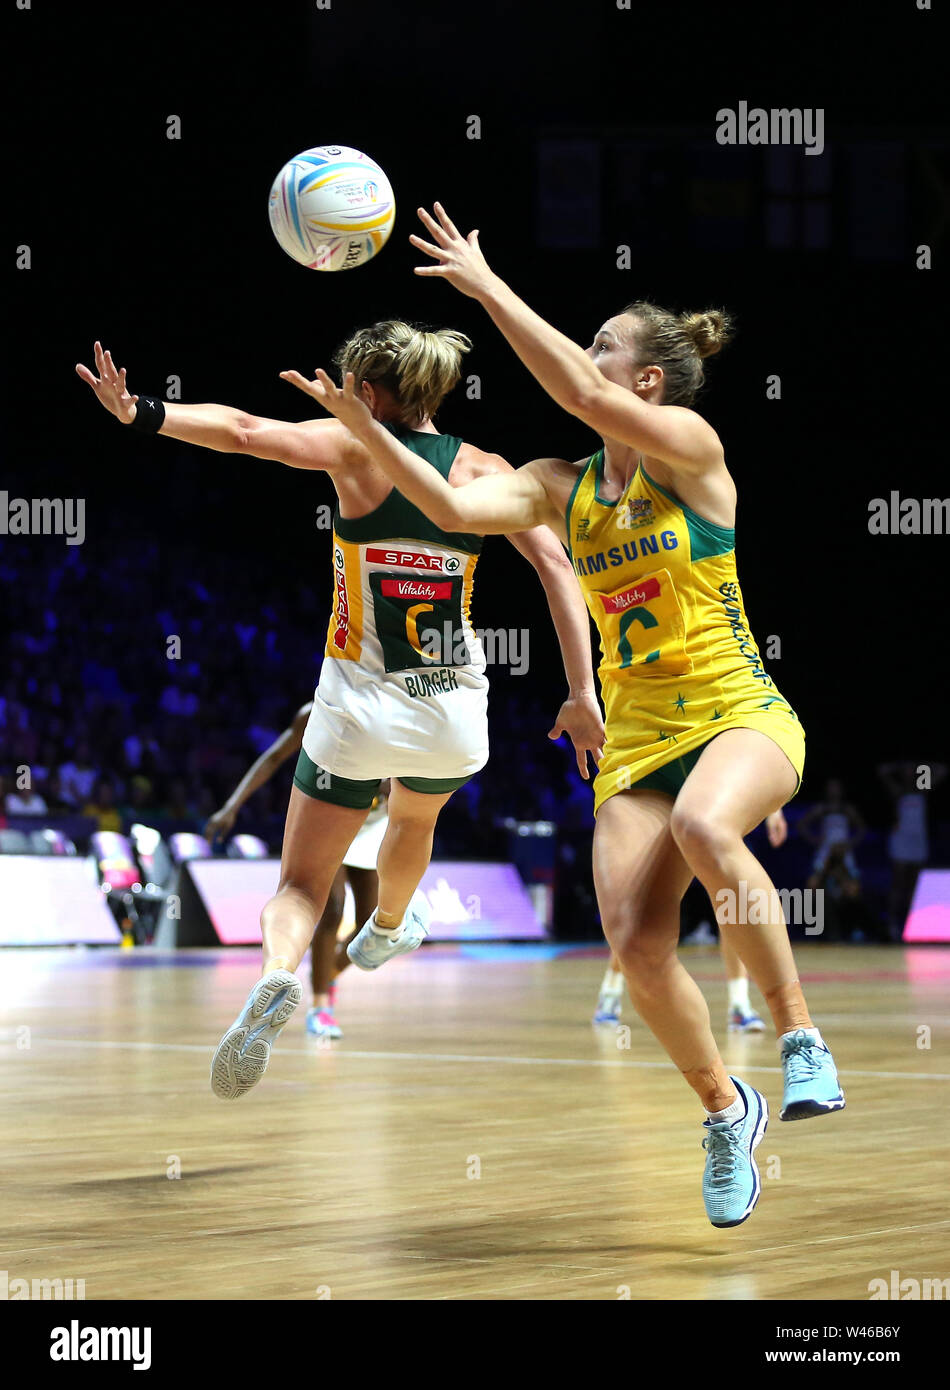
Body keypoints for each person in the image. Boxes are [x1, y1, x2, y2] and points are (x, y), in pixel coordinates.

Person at [288, 203, 846, 1228]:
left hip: (735, 710)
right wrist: (366, 431)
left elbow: (578, 387)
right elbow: (456, 513)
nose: (583, 362)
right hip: (634, 741)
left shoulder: (689, 449)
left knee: (703, 825)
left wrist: (485, 284)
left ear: (645, 381)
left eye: (601, 347)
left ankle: (800, 1035)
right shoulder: (559, 483)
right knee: (633, 947)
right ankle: (727, 1110)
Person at [77, 328, 605, 1100]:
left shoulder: (354, 447)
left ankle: (277, 977)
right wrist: (581, 692)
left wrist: (143, 413)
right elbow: (558, 568)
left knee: (299, 886)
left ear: (368, 389)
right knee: (414, 827)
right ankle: (392, 924)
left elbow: (248, 433)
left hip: (357, 704)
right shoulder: (486, 469)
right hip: (451, 706)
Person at [203, 700, 386, 1038]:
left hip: (375, 825)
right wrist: (231, 806)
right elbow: (272, 758)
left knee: (370, 930)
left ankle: (323, 972)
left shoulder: (396, 711)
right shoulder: (314, 714)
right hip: (334, 814)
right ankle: (320, 1006)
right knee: (330, 908)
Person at [593, 808, 788, 1031]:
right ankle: (610, 991)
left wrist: (773, 811)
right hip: (674, 813)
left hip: (716, 817)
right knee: (647, 913)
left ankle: (739, 1003)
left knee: (732, 907)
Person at [877, 760, 947, 938]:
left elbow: (942, 770)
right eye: (906, 771)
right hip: (901, 841)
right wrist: (898, 767)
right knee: (899, 884)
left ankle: (910, 925)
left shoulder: (922, 790)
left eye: (911, 771)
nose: (908, 773)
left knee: (914, 887)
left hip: (918, 842)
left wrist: (920, 765)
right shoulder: (897, 792)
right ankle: (891, 924)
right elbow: (882, 770)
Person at [798, 778, 865, 892]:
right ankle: (812, 907)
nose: (834, 790)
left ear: (841, 790)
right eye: (831, 787)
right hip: (826, 848)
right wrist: (814, 839)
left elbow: (862, 828)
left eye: (836, 787)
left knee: (853, 884)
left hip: (843, 849)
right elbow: (801, 825)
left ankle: (851, 906)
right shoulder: (822, 808)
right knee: (813, 882)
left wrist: (852, 843)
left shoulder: (847, 809)